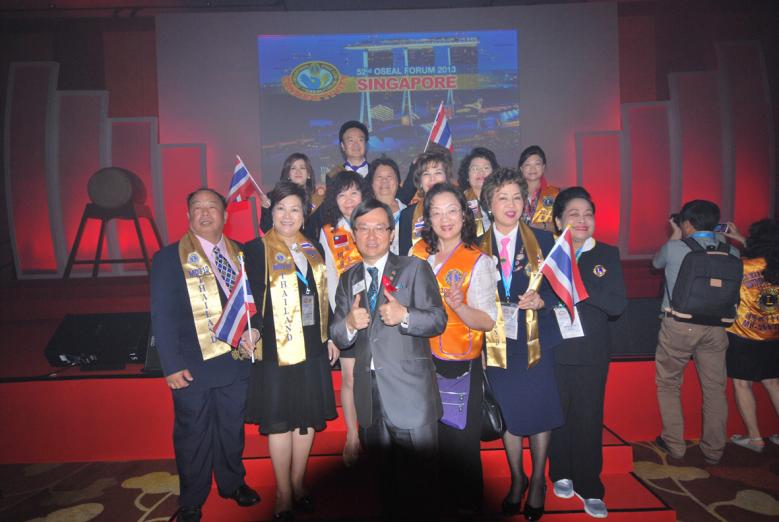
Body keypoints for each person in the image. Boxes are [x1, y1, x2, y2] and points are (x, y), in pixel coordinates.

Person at [329, 198, 447, 520]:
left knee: (423, 484)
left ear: (391, 233)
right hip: (370, 396)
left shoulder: (414, 268)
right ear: (354, 234)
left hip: (410, 394)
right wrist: (349, 324)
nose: (371, 235)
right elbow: (337, 333)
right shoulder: (348, 278)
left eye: (379, 228)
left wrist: (405, 315)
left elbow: (438, 319)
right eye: (363, 228)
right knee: (383, 483)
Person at [150, 188, 260, 522]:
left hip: (235, 362)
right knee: (192, 434)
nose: (205, 213)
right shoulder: (169, 258)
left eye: (212, 207)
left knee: (231, 428)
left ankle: (232, 483)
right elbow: (162, 315)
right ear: (188, 216)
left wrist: (254, 331)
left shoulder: (241, 253)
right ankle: (192, 499)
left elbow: (253, 303)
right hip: (191, 365)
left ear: (225, 216)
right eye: (197, 208)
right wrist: (171, 365)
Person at [243, 181, 338, 521]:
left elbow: (323, 296)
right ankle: (283, 491)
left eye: (295, 209)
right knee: (281, 421)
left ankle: (299, 483)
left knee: (306, 419)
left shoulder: (313, 247)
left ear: (304, 213)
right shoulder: (255, 250)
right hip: (275, 350)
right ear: (271, 212)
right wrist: (252, 328)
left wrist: (331, 336)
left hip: (312, 344)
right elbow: (249, 299)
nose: (287, 215)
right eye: (281, 208)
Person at [479, 168, 563, 520]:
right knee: (509, 413)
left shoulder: (545, 241)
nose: (511, 204)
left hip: (535, 340)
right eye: (503, 198)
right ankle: (518, 478)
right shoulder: (476, 246)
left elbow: (564, 291)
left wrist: (543, 301)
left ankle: (539, 480)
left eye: (517, 197)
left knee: (539, 410)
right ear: (489, 204)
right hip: (496, 342)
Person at [409, 183, 498, 516]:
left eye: (451, 211)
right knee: (426, 445)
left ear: (464, 215)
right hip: (419, 362)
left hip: (456, 367)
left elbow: (487, 321)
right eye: (436, 212)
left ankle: (466, 509)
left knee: (459, 447)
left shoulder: (478, 261)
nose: (445, 219)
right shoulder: (418, 254)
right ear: (427, 219)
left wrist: (459, 306)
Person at [548, 187, 627, 519]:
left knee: (588, 417)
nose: (582, 220)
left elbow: (616, 305)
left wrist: (578, 283)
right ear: (558, 221)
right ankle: (560, 471)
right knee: (558, 415)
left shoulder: (606, 253)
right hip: (555, 348)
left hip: (591, 351)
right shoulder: (549, 254)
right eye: (573, 214)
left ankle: (590, 484)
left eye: (587, 214)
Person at [652, 200, 740, 465]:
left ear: (687, 223)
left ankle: (675, 444)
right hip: (717, 327)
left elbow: (656, 263)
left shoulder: (674, 247)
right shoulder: (732, 252)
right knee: (714, 389)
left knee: (669, 384)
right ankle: (714, 450)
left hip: (679, 325)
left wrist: (675, 234)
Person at [317, 170, 365, 467]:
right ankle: (352, 436)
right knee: (349, 378)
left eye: (354, 193)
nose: (348, 200)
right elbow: (328, 281)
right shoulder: (329, 232)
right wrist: (334, 328)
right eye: (342, 194)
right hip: (345, 315)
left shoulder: (376, 222)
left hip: (379, 314)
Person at [722, 219, 779, 452]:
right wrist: (740, 238)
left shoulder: (742, 266)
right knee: (773, 383)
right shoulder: (774, 264)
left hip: (743, 334)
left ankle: (755, 438)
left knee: (742, 384)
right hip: (773, 334)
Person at [397, 149, 454, 255]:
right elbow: (404, 258)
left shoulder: (459, 210)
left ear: (446, 178)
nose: (432, 178)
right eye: (426, 173)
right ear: (420, 181)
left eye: (438, 172)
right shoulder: (407, 215)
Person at [260, 153, 323, 233]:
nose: (298, 172)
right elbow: (266, 229)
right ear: (288, 174)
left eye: (302, 168)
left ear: (308, 174)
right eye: (293, 168)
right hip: (281, 240)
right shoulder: (274, 196)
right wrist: (265, 208)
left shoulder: (317, 198)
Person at [366, 156, 406, 254]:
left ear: (398, 182)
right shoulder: (363, 214)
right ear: (371, 183)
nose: (384, 181)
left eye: (389, 177)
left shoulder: (410, 213)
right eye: (379, 177)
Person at [458, 147, 498, 236]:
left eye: (486, 168)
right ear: (467, 175)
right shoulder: (459, 202)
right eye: (475, 168)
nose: (480, 172)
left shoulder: (502, 199)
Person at [518, 145, 558, 232]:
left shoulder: (555, 193)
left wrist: (544, 226)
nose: (532, 168)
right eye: (527, 164)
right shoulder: (514, 193)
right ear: (521, 169)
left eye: (537, 164)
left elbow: (563, 225)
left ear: (543, 167)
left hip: (546, 239)